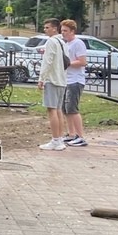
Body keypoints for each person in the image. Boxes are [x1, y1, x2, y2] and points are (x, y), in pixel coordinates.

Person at [37, 17, 69, 151]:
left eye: (47, 27)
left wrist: (41, 78)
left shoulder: (51, 42)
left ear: (55, 28)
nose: (45, 30)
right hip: (61, 79)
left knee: (52, 110)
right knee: (58, 109)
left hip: (52, 79)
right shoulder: (62, 42)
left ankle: (55, 140)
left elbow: (47, 61)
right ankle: (59, 138)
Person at [60, 19, 88, 147]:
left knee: (72, 108)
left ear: (72, 31)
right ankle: (71, 134)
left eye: (66, 31)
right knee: (65, 109)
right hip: (67, 79)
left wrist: (68, 63)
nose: (63, 33)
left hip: (76, 80)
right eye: (62, 31)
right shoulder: (66, 44)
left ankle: (80, 136)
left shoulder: (78, 43)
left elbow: (82, 62)